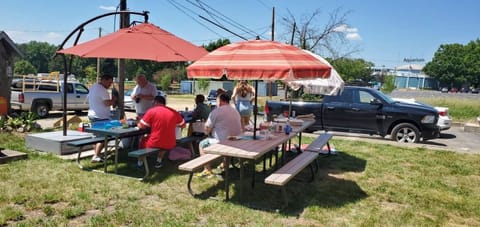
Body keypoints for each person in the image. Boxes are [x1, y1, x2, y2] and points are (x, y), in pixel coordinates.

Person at [197, 93, 242, 177]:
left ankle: (207, 170)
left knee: (202, 144)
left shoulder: (216, 111)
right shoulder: (235, 111)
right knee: (224, 137)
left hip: (224, 141)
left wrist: (206, 129)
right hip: (236, 140)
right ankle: (225, 165)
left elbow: (207, 129)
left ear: (220, 101)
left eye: (217, 101)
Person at [137, 95, 186, 169]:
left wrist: (138, 121)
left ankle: (140, 163)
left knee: (142, 140)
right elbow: (183, 125)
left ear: (155, 102)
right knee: (163, 142)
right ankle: (158, 161)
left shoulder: (151, 111)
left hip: (155, 142)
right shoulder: (173, 111)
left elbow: (141, 126)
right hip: (170, 142)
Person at [87, 74, 117, 162]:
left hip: (93, 115)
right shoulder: (102, 90)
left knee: (96, 136)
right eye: (109, 82)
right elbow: (107, 103)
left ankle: (97, 154)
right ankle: (96, 155)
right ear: (104, 80)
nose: (110, 85)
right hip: (101, 117)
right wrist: (114, 99)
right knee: (104, 137)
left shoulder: (94, 87)